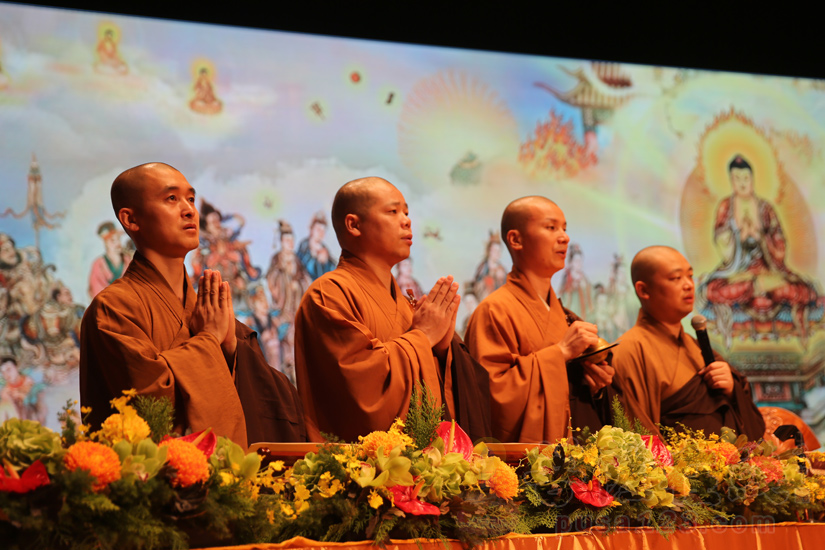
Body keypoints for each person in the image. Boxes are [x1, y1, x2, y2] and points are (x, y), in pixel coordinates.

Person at [80, 162, 305, 447]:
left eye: (191, 198)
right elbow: (151, 405)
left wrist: (232, 349)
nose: (189, 210)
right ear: (131, 219)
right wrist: (209, 340)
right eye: (171, 198)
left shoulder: (207, 308)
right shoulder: (113, 308)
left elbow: (272, 398)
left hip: (229, 479)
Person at [294, 176, 490, 442]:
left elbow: (440, 392)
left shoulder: (405, 302)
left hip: (424, 470)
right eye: (392, 211)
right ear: (353, 224)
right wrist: (422, 338)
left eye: (407, 212)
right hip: (361, 472)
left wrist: (443, 349)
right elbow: (360, 390)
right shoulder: (329, 294)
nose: (406, 220)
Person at [465, 196, 616, 443]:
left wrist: (596, 384)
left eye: (565, 229)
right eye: (551, 227)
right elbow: (491, 397)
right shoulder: (494, 311)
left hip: (578, 452)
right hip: (529, 467)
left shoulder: (565, 314)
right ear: (516, 239)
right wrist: (561, 352)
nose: (564, 237)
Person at [612, 245, 765, 440]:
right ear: (643, 290)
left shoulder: (695, 345)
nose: (688, 285)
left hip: (728, 465)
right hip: (680, 468)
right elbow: (636, 435)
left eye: (690, 276)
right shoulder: (630, 351)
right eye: (676, 278)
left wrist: (732, 388)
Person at [701, 154, 820, 348]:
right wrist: (738, 237)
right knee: (712, 291)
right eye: (737, 179)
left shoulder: (765, 208)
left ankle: (762, 286)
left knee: (805, 291)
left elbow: (780, 246)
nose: (742, 184)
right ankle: (758, 288)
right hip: (737, 273)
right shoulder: (726, 207)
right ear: (731, 180)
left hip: (767, 270)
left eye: (745, 178)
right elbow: (721, 241)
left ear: (752, 179)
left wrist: (760, 237)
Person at [88, 221, 131, 299]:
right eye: (113, 240)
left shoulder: (128, 259)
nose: (118, 243)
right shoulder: (98, 264)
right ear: (106, 243)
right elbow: (97, 292)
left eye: (118, 239)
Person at [296, 211, 336, 281]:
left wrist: (326, 262)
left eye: (323, 231)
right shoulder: (303, 247)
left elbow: (333, 270)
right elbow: (302, 267)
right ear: (311, 230)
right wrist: (316, 259)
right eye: (318, 229)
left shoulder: (325, 251)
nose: (321, 233)